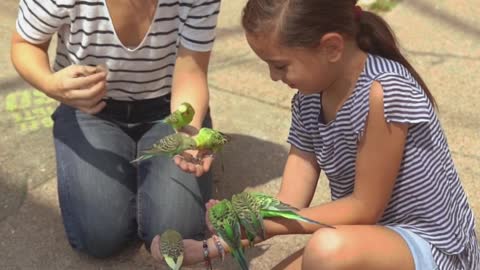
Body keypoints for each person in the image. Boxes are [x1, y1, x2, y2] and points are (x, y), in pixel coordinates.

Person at [151, 0, 480, 269]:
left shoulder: (384, 92)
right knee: (324, 252)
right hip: (367, 239)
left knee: (327, 250)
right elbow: (289, 203)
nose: (272, 76)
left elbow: (364, 208)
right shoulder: (310, 98)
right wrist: (216, 242)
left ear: (332, 47)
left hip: (431, 248)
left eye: (280, 65)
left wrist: (259, 221)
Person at [10, 0, 221, 258]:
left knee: (174, 237)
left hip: (171, 109)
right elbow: (26, 43)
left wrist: (189, 133)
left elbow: (192, 71)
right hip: (89, 108)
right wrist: (51, 84)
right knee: (99, 236)